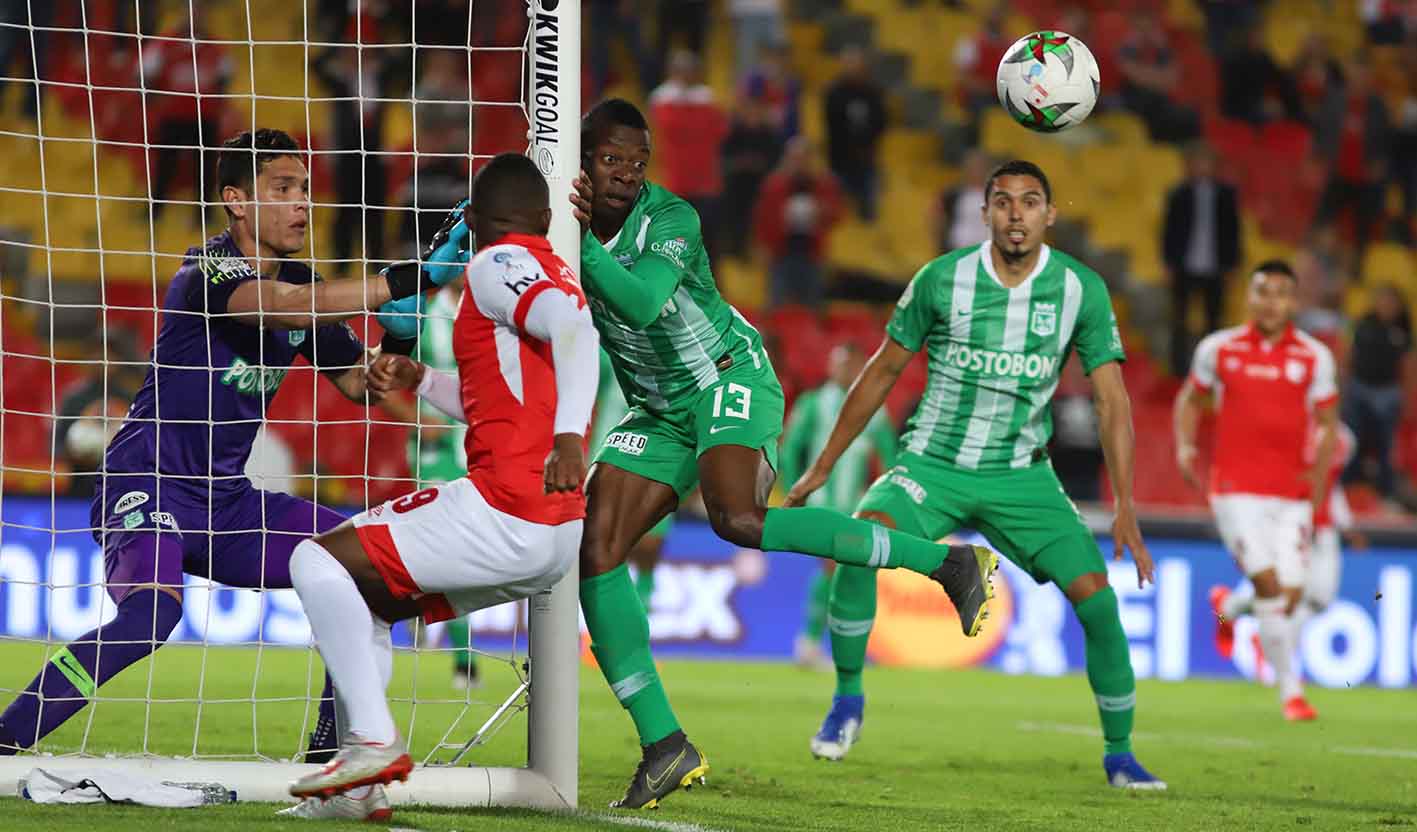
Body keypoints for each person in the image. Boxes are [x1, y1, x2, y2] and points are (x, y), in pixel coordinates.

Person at [570, 98, 998, 809]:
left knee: (736, 518)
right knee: (595, 548)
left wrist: (577, 238)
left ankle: (948, 562)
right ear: (582, 158)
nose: (624, 175)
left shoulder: (670, 218)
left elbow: (642, 303)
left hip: (729, 377)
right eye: (610, 160)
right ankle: (664, 744)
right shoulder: (565, 219)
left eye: (636, 162)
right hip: (657, 408)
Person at [0, 128, 465, 760]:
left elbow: (362, 384)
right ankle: (8, 735)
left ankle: (329, 759)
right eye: (282, 188)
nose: (302, 203)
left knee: (362, 571)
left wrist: (403, 336)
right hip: (146, 483)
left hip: (229, 504)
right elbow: (288, 307)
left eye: (304, 189)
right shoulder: (207, 271)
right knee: (151, 619)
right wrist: (404, 277)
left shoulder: (301, 282)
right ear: (237, 200)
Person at [785, 160, 1166, 789]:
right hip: (932, 464)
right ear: (984, 212)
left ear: (1051, 215)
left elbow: (1112, 402)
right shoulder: (941, 280)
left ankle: (1120, 755)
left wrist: (1125, 503)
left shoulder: (1080, 290)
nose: (1017, 214)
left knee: (1098, 602)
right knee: (858, 544)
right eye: (1004, 202)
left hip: (1023, 476)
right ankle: (847, 701)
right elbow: (880, 372)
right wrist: (824, 465)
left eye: (1031, 201)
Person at [280, 153, 598, 819]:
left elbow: (574, 330)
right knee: (368, 601)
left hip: (508, 506)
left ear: (474, 221)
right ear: (545, 218)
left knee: (315, 560)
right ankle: (356, 795)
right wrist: (423, 380)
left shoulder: (491, 264)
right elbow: (499, 398)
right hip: (553, 532)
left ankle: (372, 741)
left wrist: (571, 436)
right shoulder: (544, 264)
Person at [1174, 260, 1340, 722]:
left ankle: (1228, 606)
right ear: (1249, 297)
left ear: (1295, 301)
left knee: (1289, 594)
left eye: (1281, 294)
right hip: (1235, 489)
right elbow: (1191, 397)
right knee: (1268, 585)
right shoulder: (1219, 348)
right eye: (1263, 292)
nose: (1272, 302)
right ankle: (1291, 694)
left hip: (1291, 495)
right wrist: (1186, 446)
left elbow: (1327, 425)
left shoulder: (1314, 357)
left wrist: (1318, 479)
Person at [779, 342, 896, 668]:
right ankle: (811, 643)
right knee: (836, 568)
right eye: (838, 364)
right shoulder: (814, 403)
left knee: (849, 573)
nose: (843, 370)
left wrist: (888, 501)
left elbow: (888, 456)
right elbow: (789, 450)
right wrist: (793, 494)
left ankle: (821, 643)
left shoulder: (874, 407)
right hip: (822, 503)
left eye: (849, 365)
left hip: (857, 505)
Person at [1210, 422, 1358, 664]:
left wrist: (1346, 522)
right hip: (1293, 523)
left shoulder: (1344, 438)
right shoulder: (1290, 429)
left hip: (1325, 528)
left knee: (1320, 598)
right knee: (1291, 595)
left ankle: (1230, 607)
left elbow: (1333, 485)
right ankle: (1272, 644)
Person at [404, 276, 481, 690]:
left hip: (475, 440)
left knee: (462, 550)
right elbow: (388, 371)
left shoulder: (488, 306)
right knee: (445, 544)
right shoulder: (421, 314)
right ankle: (464, 660)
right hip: (433, 449)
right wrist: (414, 419)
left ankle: (422, 601)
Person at [590, 349, 672, 610]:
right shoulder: (607, 349)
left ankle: (644, 591)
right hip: (608, 453)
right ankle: (607, 611)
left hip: (659, 455)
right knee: (602, 541)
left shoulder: (675, 350)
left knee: (650, 542)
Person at [1162, 143, 1241, 376]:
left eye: (1207, 163)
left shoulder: (1226, 195)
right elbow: (1169, 232)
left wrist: (1232, 265)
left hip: (1215, 267)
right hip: (1184, 266)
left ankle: (1210, 367)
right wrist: (1168, 263)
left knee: (1213, 320)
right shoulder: (1178, 193)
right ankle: (1177, 368)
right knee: (1180, 319)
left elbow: (1233, 233)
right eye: (1198, 162)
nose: (1202, 168)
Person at [753, 136, 846, 309]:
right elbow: (762, 219)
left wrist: (821, 210)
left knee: (813, 307)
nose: (800, 163)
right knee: (778, 308)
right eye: (795, 158)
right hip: (781, 255)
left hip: (812, 254)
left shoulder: (824, 184)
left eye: (804, 158)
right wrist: (764, 247)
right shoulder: (774, 186)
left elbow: (836, 214)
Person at [823, 46, 888, 221]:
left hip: (866, 159)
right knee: (837, 210)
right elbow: (831, 124)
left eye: (856, 64)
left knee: (869, 209)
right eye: (848, 63)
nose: (852, 68)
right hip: (840, 159)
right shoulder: (834, 92)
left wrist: (866, 144)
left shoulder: (873, 92)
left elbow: (880, 122)